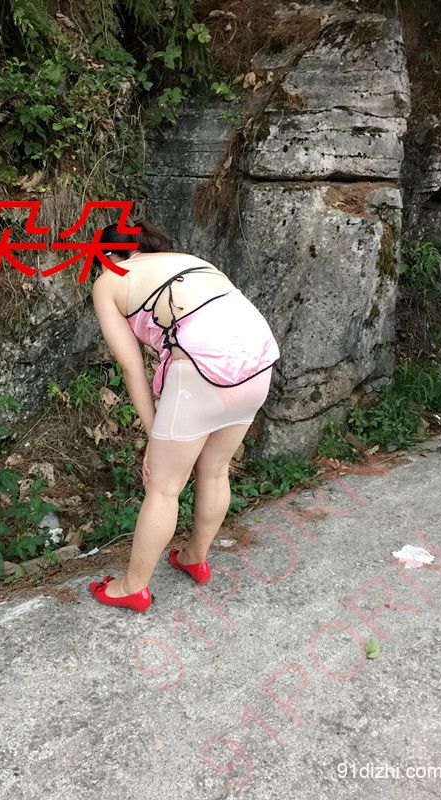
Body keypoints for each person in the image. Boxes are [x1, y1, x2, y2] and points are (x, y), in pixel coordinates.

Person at [88, 219, 280, 612]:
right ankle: (195, 557)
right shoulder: (189, 260)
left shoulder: (109, 280)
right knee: (216, 470)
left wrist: (153, 432)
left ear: (107, 254)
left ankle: (132, 587)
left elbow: (131, 366)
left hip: (200, 366)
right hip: (259, 360)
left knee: (163, 487)